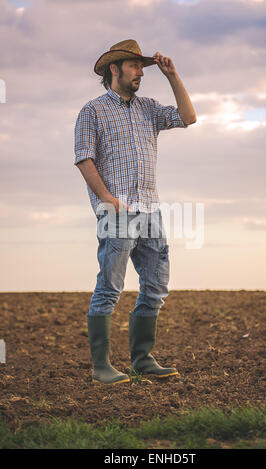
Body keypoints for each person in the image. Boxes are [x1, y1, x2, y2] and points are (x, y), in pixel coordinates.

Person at [74, 39, 196, 385]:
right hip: (117, 212)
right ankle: (101, 367)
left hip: (150, 210)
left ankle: (142, 360)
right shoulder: (93, 110)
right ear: (115, 69)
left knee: (156, 286)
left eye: (143, 67)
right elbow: (84, 158)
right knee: (110, 287)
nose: (141, 72)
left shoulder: (148, 108)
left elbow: (188, 117)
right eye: (135, 66)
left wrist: (173, 76)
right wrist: (108, 200)